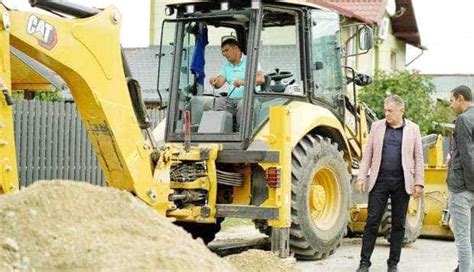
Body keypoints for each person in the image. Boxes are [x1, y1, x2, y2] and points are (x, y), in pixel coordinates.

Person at [355, 94, 424, 272]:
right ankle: (364, 263)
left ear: (401, 110)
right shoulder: (376, 127)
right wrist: (362, 176)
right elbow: (367, 154)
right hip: (380, 181)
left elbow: (418, 157)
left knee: (399, 224)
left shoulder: (413, 129)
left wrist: (419, 183)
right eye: (385, 110)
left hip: (402, 182)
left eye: (390, 111)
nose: (386, 114)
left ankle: (393, 264)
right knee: (372, 221)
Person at [208, 35, 264, 131]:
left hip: (249, 98)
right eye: (223, 52)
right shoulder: (227, 66)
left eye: (226, 50)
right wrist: (213, 81)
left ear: (236, 48)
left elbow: (261, 79)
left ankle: (240, 134)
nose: (224, 54)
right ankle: (217, 133)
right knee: (216, 103)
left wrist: (243, 82)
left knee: (243, 104)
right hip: (231, 101)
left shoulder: (251, 61)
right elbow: (219, 84)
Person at [447, 85, 474, 272]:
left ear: (460, 98)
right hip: (470, 186)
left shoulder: (463, 119)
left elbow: (467, 156)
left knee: (463, 238)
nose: (451, 105)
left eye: (451, 101)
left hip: (463, 188)